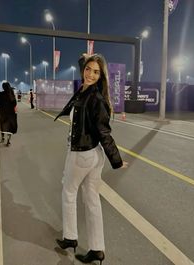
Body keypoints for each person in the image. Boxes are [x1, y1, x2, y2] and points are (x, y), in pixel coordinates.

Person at [55, 53, 128, 264]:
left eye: (96, 72)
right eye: (88, 69)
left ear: (101, 75)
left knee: (68, 191)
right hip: (94, 155)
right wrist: (86, 58)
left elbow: (104, 131)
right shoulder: (87, 89)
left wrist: (117, 159)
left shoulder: (95, 98)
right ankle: (97, 249)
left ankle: (70, 237)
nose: (90, 74)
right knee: (92, 200)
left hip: (82, 154)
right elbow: (85, 67)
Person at [0, 82, 17, 146]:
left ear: (3, 87)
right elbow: (15, 104)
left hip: (2, 112)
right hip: (10, 113)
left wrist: (0, 107)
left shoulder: (1, 94)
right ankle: (8, 140)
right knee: (9, 127)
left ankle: (2, 138)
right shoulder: (11, 94)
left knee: (2, 125)